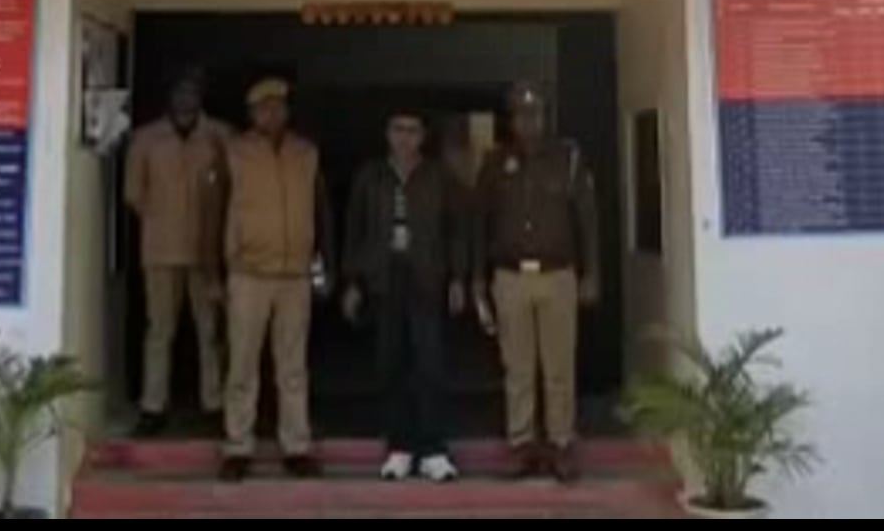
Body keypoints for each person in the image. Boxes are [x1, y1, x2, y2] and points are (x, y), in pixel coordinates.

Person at [471, 81, 600, 484]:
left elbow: (587, 220)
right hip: (510, 277)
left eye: (535, 113)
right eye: (521, 114)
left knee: (559, 367)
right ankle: (522, 444)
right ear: (511, 119)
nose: (528, 121)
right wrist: (477, 279)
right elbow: (479, 223)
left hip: (558, 275)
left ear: (546, 116)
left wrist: (592, 273)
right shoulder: (495, 162)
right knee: (518, 367)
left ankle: (561, 444)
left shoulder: (568, 158)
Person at [342, 108, 468, 484]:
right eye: (398, 129)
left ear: (423, 136)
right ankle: (399, 447)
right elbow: (355, 229)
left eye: (412, 130)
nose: (405, 137)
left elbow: (456, 231)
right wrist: (352, 281)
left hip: (427, 278)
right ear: (387, 133)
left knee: (430, 364)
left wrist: (458, 278)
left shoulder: (438, 176)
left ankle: (433, 449)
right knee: (390, 363)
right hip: (384, 278)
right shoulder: (370, 176)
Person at [219, 78, 333, 482]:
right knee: (242, 364)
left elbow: (320, 213)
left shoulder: (306, 152)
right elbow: (215, 210)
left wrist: (322, 269)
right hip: (248, 273)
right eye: (264, 107)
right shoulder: (234, 151)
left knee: (292, 366)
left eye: (278, 105)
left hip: (294, 274)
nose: (272, 113)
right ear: (251, 113)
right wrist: (218, 269)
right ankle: (238, 446)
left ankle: (296, 446)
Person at [124, 66, 229, 437]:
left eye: (192, 91)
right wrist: (163, 219)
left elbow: (233, 191)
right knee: (159, 331)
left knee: (210, 332)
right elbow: (133, 194)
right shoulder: (146, 139)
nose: (186, 98)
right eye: (180, 91)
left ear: (201, 96)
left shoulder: (220, 137)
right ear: (169, 96)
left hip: (207, 252)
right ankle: (153, 406)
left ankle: (214, 404)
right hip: (161, 249)